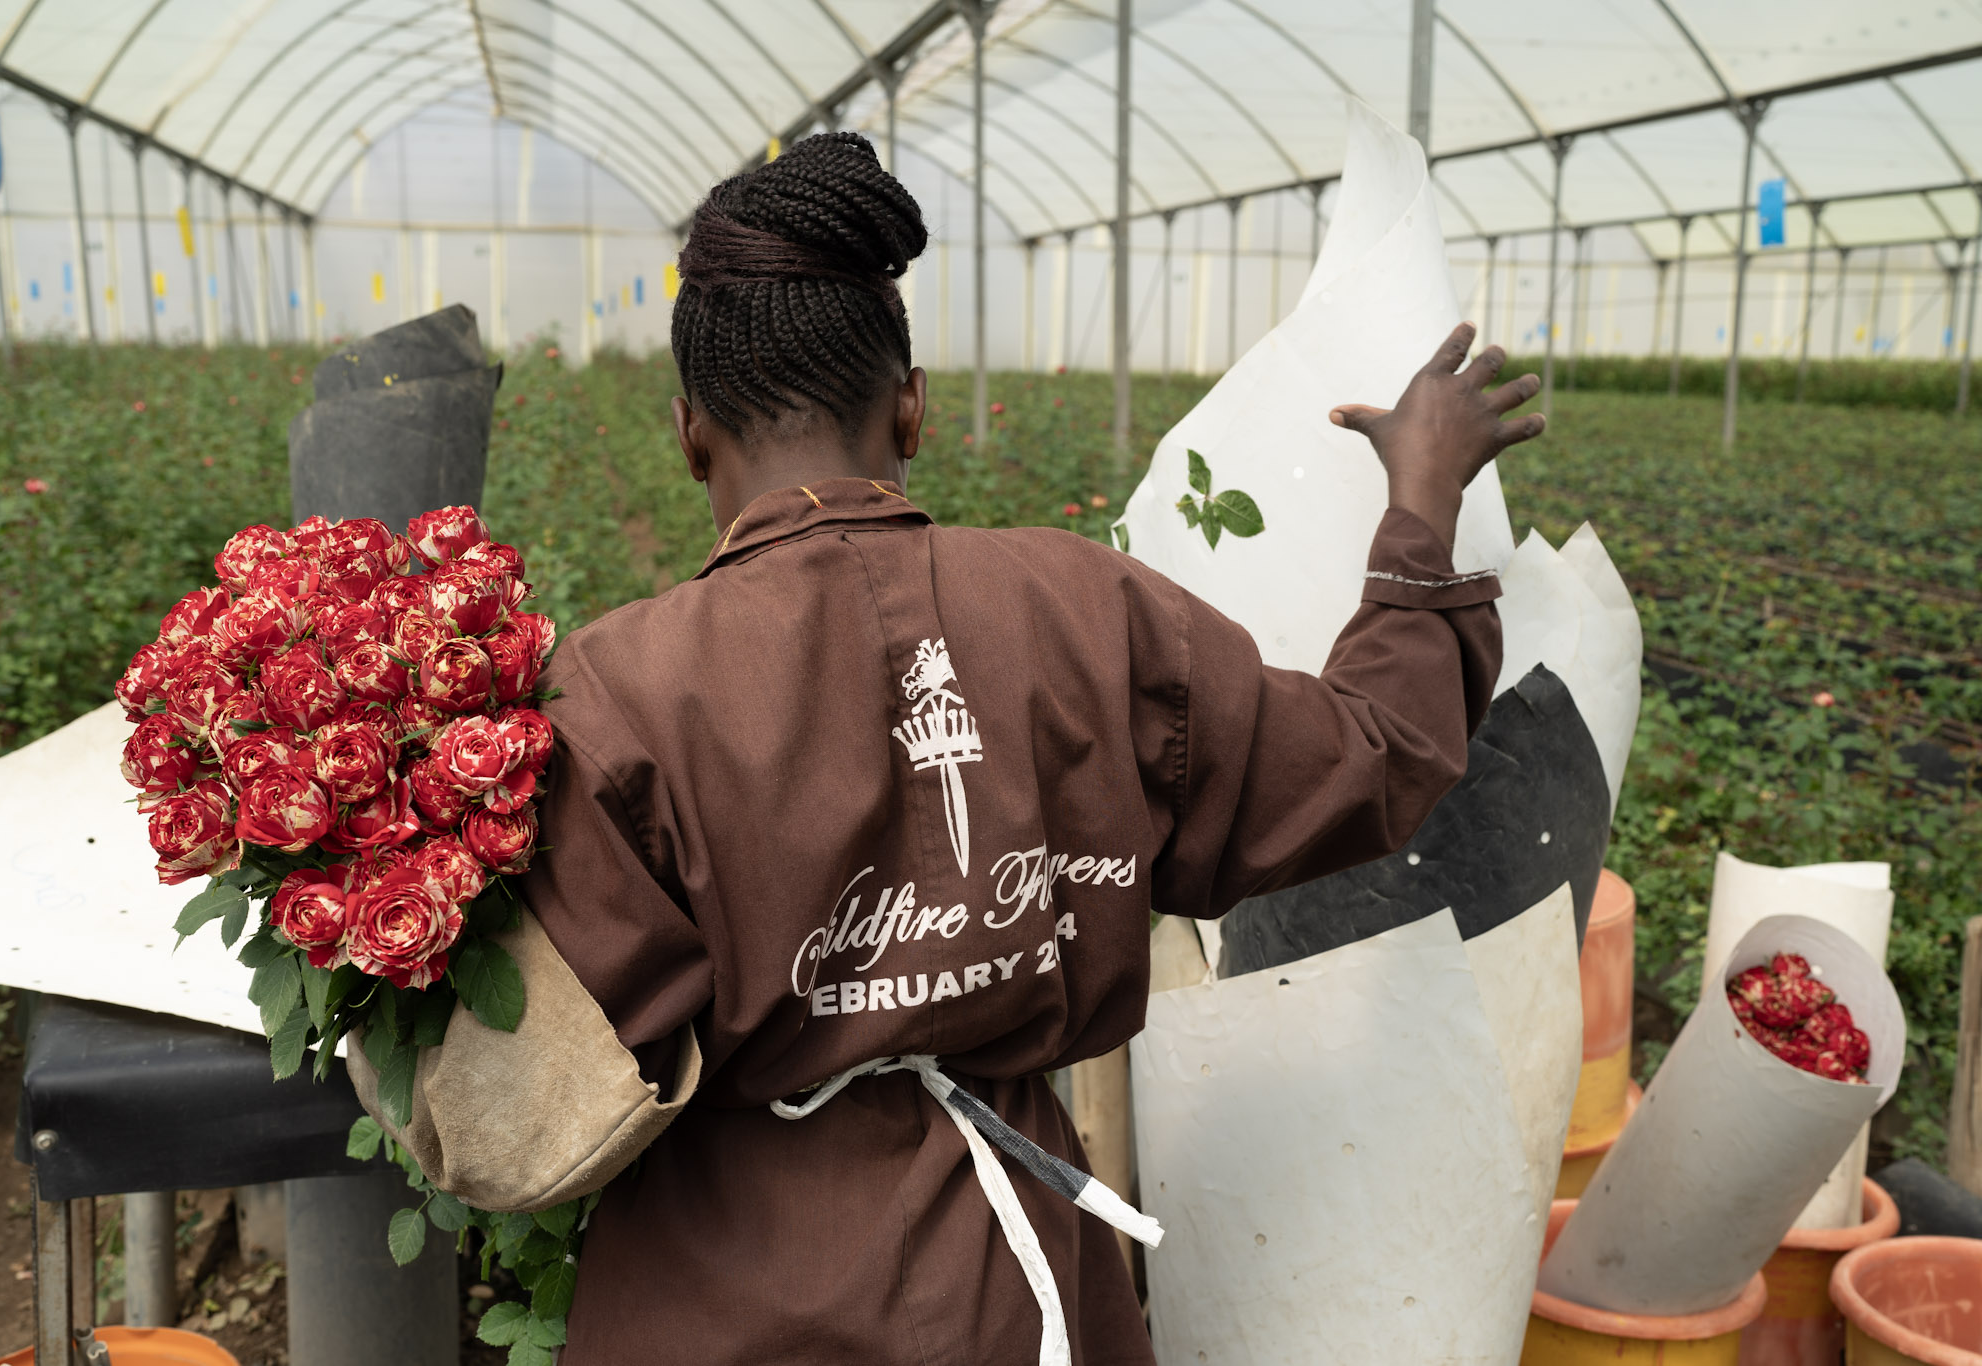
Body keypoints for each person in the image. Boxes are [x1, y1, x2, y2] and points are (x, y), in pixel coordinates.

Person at [435, 131, 1541, 1365]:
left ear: (690, 432)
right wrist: (1418, 512)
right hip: (1012, 1292)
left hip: (718, 1298)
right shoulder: (1090, 614)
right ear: (910, 402)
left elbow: (541, 1049)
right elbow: (1367, 755)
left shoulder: (612, 695)